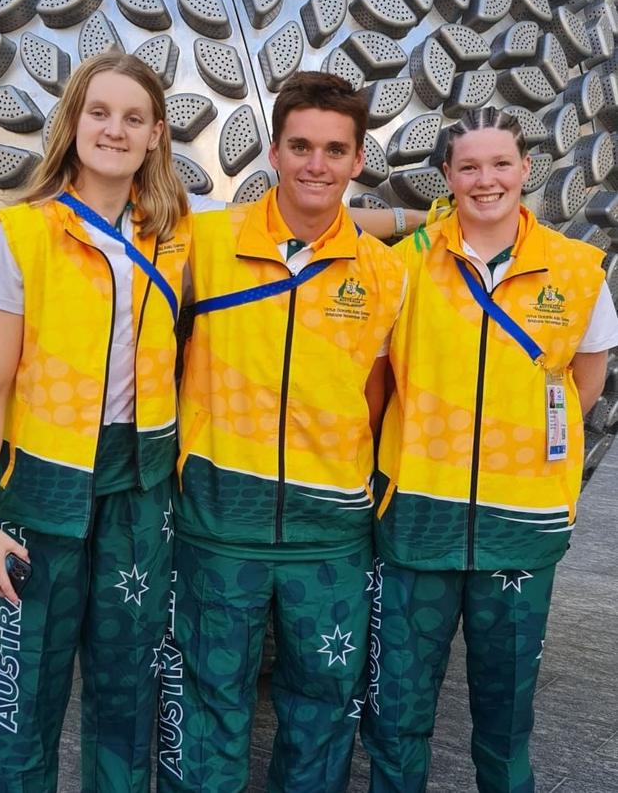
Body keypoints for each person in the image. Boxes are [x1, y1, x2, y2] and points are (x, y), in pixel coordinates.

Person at [156, 71, 407, 793]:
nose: (316, 165)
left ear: (359, 160)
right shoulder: (202, 243)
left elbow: (376, 394)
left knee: (323, 712)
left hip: (330, 534)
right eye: (300, 145)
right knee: (206, 706)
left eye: (334, 149)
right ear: (273, 150)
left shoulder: (385, 275)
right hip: (216, 522)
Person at [361, 107, 618, 792]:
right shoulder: (404, 265)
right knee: (398, 717)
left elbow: (584, 381)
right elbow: (377, 385)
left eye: (501, 163)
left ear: (525, 169)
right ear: (446, 176)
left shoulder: (577, 269)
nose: (487, 179)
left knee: (506, 725)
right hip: (416, 523)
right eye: (468, 166)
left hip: (521, 528)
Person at [0, 53, 190, 793]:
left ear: (157, 133)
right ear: (74, 121)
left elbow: (300, 222)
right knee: (23, 702)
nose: (114, 129)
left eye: (134, 118)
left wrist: (418, 219)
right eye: (100, 112)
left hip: (140, 492)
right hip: (39, 495)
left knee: (130, 700)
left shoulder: (181, 239)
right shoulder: (22, 235)